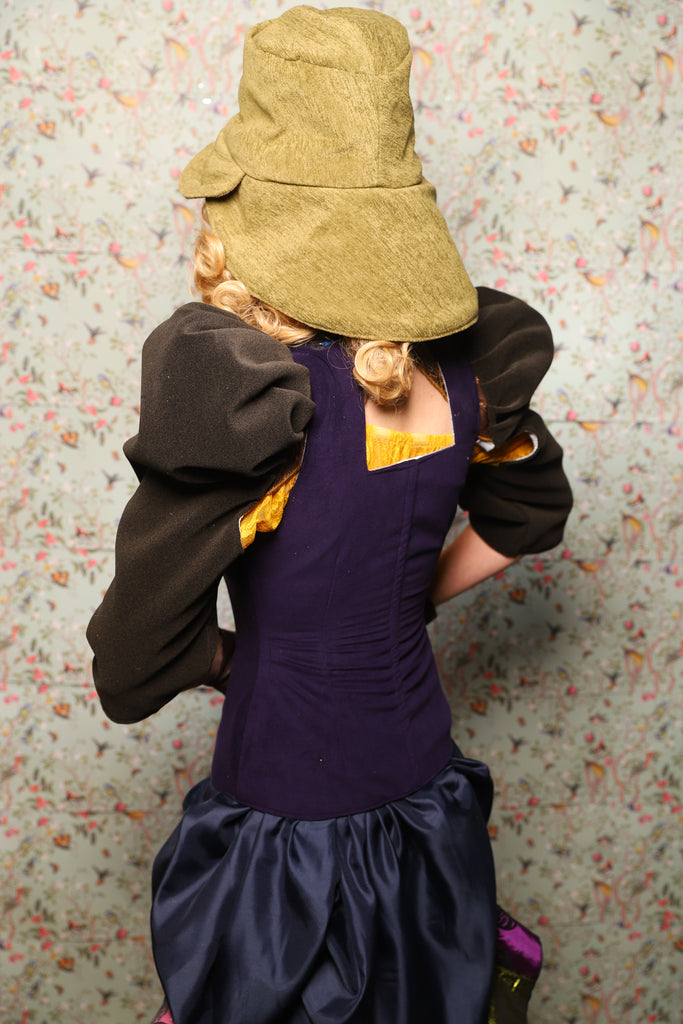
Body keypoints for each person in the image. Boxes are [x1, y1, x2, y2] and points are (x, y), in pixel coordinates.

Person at [86, 7, 572, 1024]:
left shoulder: (249, 402)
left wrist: (241, 658)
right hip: (424, 795)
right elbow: (527, 515)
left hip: (287, 822)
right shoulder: (466, 377)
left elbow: (131, 663)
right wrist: (399, 607)